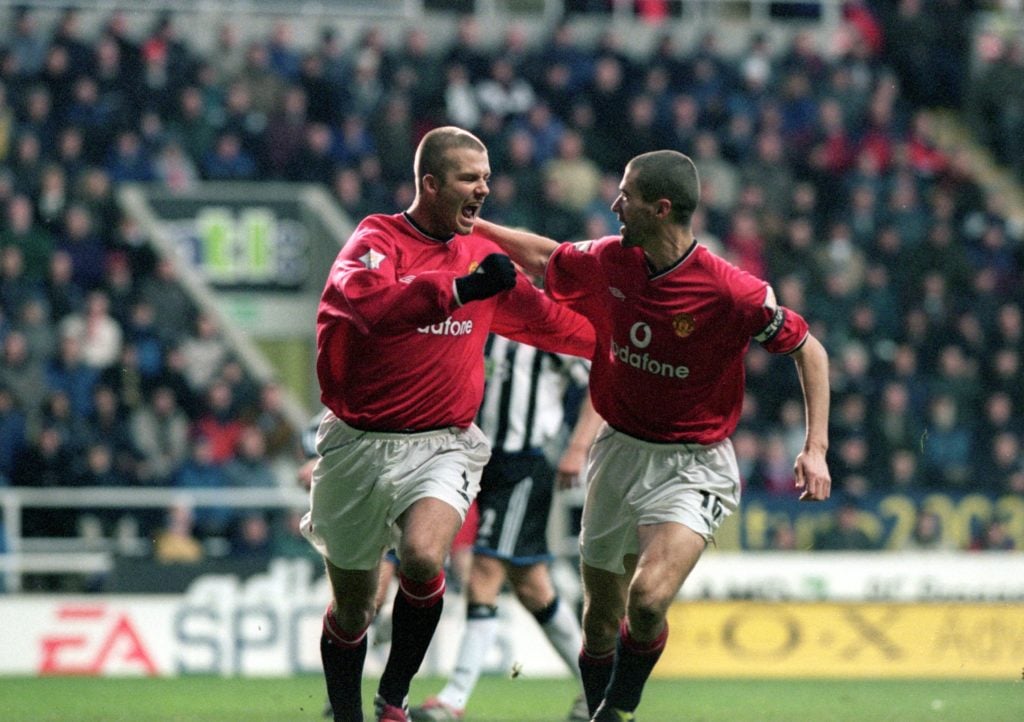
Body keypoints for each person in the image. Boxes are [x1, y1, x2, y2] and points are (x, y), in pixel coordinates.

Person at [473, 149, 831, 721]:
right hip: (618, 452)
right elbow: (545, 257)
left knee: (647, 599)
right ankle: (603, 711)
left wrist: (815, 449)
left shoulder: (731, 292)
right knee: (599, 621)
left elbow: (808, 349)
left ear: (660, 208)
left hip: (693, 463)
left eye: (626, 195)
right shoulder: (611, 260)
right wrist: (474, 226)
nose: (614, 204)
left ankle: (616, 712)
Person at [302, 126, 595, 722]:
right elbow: (367, 305)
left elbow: (552, 325)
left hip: (443, 444)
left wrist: (631, 346)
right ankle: (345, 713)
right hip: (357, 444)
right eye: (470, 178)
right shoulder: (376, 239)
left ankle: (393, 699)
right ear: (430, 184)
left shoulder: (483, 258)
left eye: (487, 177)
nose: (483, 188)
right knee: (355, 610)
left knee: (424, 558)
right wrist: (455, 290)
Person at [411, 334, 604, 722]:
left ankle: (454, 698)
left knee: (485, 570)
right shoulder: (484, 320)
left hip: (527, 463)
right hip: (482, 460)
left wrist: (578, 446)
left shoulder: (550, 325)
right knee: (532, 585)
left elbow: (599, 386)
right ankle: (599, 688)